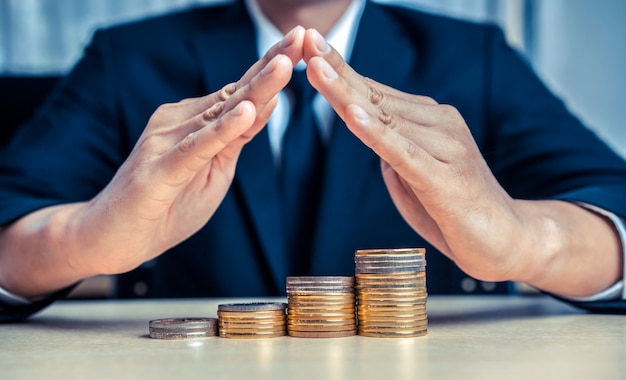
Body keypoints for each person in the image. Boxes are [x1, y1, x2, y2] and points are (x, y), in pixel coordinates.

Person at [1, 0, 625, 321]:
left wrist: (528, 243)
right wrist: (82, 238)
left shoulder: (474, 56)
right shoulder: (126, 57)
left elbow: (613, 200)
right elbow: (12, 208)